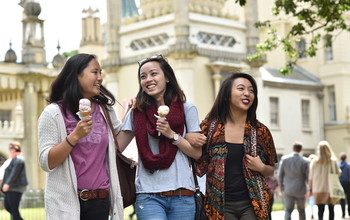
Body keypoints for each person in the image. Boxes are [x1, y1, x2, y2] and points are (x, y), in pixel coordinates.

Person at [116, 54, 206, 220]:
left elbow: (197, 154)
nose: (148, 79)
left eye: (154, 74)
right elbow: (116, 147)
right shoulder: (137, 112)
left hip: (182, 194)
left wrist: (172, 135)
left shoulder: (187, 109)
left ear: (167, 78)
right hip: (148, 195)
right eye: (143, 76)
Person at [37, 53, 124, 220]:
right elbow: (46, 162)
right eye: (95, 72)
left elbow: (118, 144)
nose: (100, 78)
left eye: (101, 73)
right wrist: (75, 136)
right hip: (66, 203)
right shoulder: (53, 113)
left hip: (100, 201)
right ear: (76, 75)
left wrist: (136, 117)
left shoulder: (105, 110)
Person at [192, 72, 278, 220]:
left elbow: (270, 170)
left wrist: (261, 167)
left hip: (253, 204)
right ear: (226, 95)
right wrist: (186, 137)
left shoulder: (261, 131)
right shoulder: (209, 128)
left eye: (251, 90)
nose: (247, 94)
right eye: (241, 88)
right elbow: (197, 162)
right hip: (219, 205)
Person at [308, 140, 340, 220]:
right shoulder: (332, 161)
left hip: (318, 189)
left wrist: (310, 188)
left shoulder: (314, 162)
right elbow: (338, 173)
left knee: (320, 210)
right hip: (330, 189)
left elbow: (310, 177)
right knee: (331, 209)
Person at [278, 141, 309, 220]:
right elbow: (308, 177)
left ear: (293, 149)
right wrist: (309, 189)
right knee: (301, 210)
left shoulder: (284, 159)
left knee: (288, 210)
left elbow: (280, 175)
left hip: (288, 189)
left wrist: (282, 188)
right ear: (301, 149)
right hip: (301, 189)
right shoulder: (305, 161)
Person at [0, 142, 28, 220]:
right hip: (11, 188)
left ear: (15, 148)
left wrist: (7, 184)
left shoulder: (19, 159)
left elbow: (14, 172)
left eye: (11, 148)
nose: (10, 150)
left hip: (16, 187)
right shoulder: (13, 159)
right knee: (8, 206)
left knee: (13, 209)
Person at [338, 152, 350, 218]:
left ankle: (343, 213)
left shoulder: (337, 165)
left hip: (340, 183)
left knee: (342, 199)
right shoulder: (348, 166)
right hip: (347, 183)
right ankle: (349, 212)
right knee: (349, 199)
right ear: (346, 158)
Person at [307, 154, 316, 219]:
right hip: (316, 185)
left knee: (311, 200)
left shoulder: (308, 167)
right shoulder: (316, 166)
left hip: (310, 184)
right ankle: (314, 212)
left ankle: (312, 212)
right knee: (315, 200)